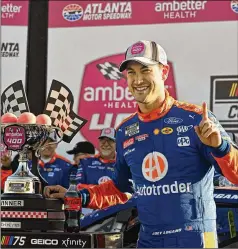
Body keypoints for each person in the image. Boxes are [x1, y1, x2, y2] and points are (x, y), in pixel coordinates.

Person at [44, 40, 238, 248]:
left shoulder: (196, 119)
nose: (138, 80)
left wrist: (221, 148)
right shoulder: (125, 130)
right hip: (149, 241)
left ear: (163, 72)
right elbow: (119, 189)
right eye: (131, 73)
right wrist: (77, 195)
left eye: (145, 71)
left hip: (194, 240)